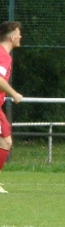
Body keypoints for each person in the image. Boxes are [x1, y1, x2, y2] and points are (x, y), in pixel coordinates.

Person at [0, 21, 24, 193]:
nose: (20, 36)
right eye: (18, 33)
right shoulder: (3, 55)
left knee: (5, 140)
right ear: (11, 37)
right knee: (6, 141)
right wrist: (14, 94)